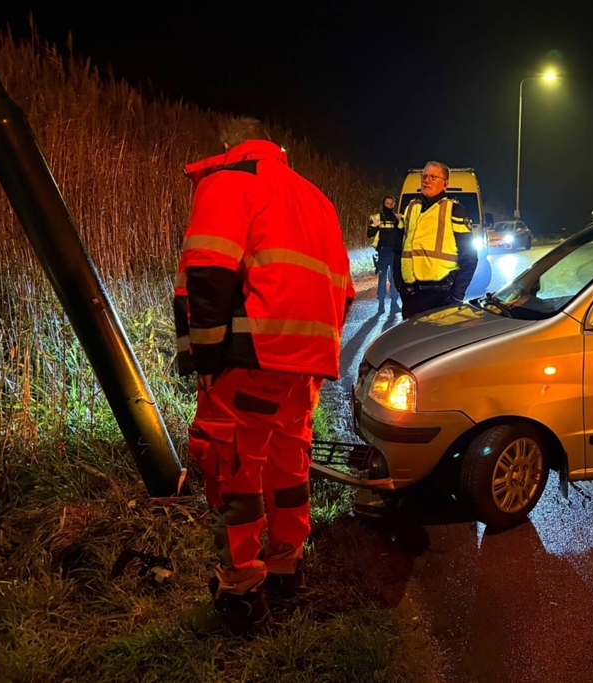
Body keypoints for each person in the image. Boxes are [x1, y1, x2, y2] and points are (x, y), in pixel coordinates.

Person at [174, 116, 354, 635]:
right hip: (306, 361)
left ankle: (241, 593)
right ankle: (286, 568)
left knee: (233, 464)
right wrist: (312, 351)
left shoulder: (228, 181)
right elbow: (343, 289)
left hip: (252, 354)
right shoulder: (315, 198)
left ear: (227, 144)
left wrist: (207, 364)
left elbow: (207, 271)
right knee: (287, 463)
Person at [393, 161, 478, 319]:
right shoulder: (410, 209)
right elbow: (398, 250)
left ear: (445, 183)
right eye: (424, 176)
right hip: (411, 295)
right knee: (412, 342)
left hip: (442, 296)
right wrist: (400, 284)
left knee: (439, 343)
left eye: (433, 177)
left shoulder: (455, 210)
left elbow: (470, 258)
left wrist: (457, 297)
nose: (426, 180)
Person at [368, 195, 402, 315]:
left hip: (393, 252)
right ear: (383, 204)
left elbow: (401, 232)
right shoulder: (377, 217)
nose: (389, 206)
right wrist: (376, 225)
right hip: (382, 252)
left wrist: (401, 220)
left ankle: (394, 304)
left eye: (391, 203)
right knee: (382, 279)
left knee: (394, 279)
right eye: (387, 203)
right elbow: (369, 233)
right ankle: (381, 305)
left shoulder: (396, 218)